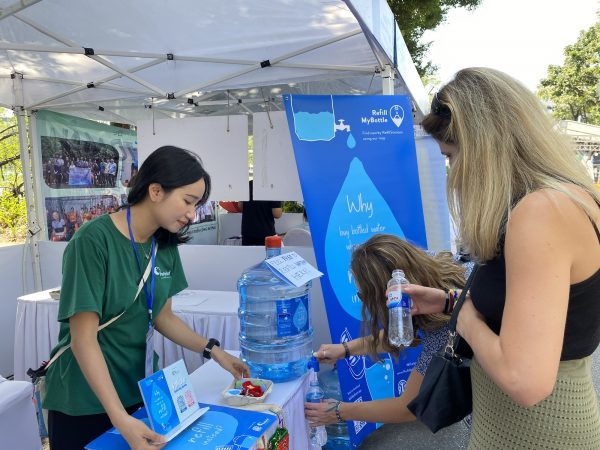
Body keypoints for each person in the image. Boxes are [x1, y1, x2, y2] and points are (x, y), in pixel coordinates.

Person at [407, 67, 600, 449]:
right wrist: (449, 301)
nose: (452, 172)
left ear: (482, 150)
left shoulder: (540, 212)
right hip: (520, 427)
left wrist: (464, 318)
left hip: (536, 432)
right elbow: (538, 314)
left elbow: (524, 380)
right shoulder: (564, 199)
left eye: (451, 156)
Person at [43, 146, 249, 450]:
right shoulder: (93, 240)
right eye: (188, 201)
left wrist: (214, 351)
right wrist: (118, 418)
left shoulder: (163, 245)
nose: (192, 214)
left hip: (134, 392)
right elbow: (82, 339)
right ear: (155, 190)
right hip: (84, 398)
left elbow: (163, 317)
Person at [304, 234, 470, 426]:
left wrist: (339, 411)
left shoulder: (443, 328)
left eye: (363, 295)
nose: (362, 300)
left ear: (386, 293)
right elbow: (399, 334)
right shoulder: (424, 270)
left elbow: (407, 407)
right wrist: (345, 349)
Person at [238, 179, 282, 246]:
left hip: (247, 233)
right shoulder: (271, 186)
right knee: (266, 255)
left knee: (248, 255)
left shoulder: (247, 185)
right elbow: (277, 214)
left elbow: (240, 207)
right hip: (266, 233)